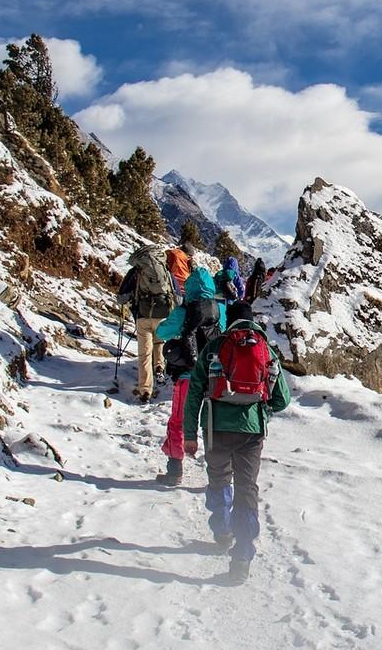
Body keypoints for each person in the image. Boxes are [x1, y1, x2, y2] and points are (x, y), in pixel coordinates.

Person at [184, 301, 290, 584]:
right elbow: (282, 400)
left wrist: (190, 434)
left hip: (215, 427)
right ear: (251, 320)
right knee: (247, 490)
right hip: (252, 431)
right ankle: (242, 558)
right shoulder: (266, 349)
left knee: (218, 478)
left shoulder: (215, 347)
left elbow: (194, 391)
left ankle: (222, 531)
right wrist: (261, 408)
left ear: (229, 321)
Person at [154, 268, 225, 486]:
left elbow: (161, 333)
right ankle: (219, 475)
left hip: (187, 375)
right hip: (214, 376)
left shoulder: (183, 311)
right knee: (215, 424)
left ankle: (174, 469)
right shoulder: (220, 310)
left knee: (178, 421)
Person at [119, 245, 175, 403]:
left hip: (143, 315)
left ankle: (145, 389)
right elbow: (175, 290)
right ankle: (159, 368)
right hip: (163, 314)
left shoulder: (137, 270)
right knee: (160, 342)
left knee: (144, 353)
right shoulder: (164, 268)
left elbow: (121, 296)